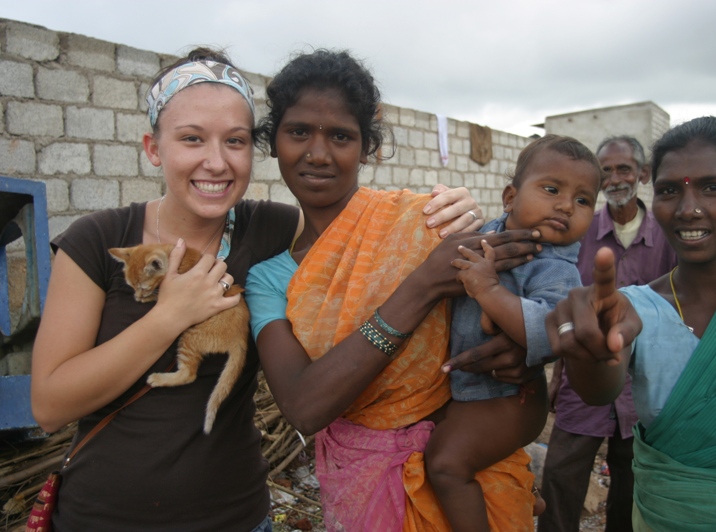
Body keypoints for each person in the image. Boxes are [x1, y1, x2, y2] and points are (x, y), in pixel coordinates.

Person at [29, 47, 489, 531]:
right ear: (153, 148)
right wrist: (169, 317)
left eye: (235, 141)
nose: (215, 162)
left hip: (238, 516)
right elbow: (49, 407)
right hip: (101, 518)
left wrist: (455, 211)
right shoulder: (101, 241)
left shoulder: (271, 230)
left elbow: (357, 234)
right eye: (191, 139)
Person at [247, 49, 542, 531]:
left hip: (466, 476)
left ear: (367, 148)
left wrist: (520, 352)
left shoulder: (424, 223)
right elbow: (305, 407)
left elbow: (511, 336)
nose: (318, 153)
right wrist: (421, 286)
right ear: (274, 141)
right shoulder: (268, 279)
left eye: (340, 136)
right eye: (298, 132)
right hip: (363, 485)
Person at [545, 116, 716, 530]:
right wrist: (593, 352)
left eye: (712, 187)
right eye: (669, 191)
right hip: (662, 514)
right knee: (562, 476)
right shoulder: (640, 307)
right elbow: (600, 387)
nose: (687, 209)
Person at [425, 134, 601, 530]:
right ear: (510, 197)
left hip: (510, 399)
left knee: (446, 464)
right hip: (470, 390)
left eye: (583, 200)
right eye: (552, 189)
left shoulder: (556, 269)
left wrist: (488, 290)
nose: (565, 206)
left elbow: (549, 331)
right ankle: (521, 493)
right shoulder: (488, 233)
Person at [539, 136, 676, 532]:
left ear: (643, 174)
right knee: (561, 477)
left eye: (624, 169)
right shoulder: (581, 232)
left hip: (646, 382)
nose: (615, 179)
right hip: (583, 377)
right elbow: (564, 305)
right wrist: (558, 376)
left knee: (632, 484)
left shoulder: (666, 237)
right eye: (607, 171)